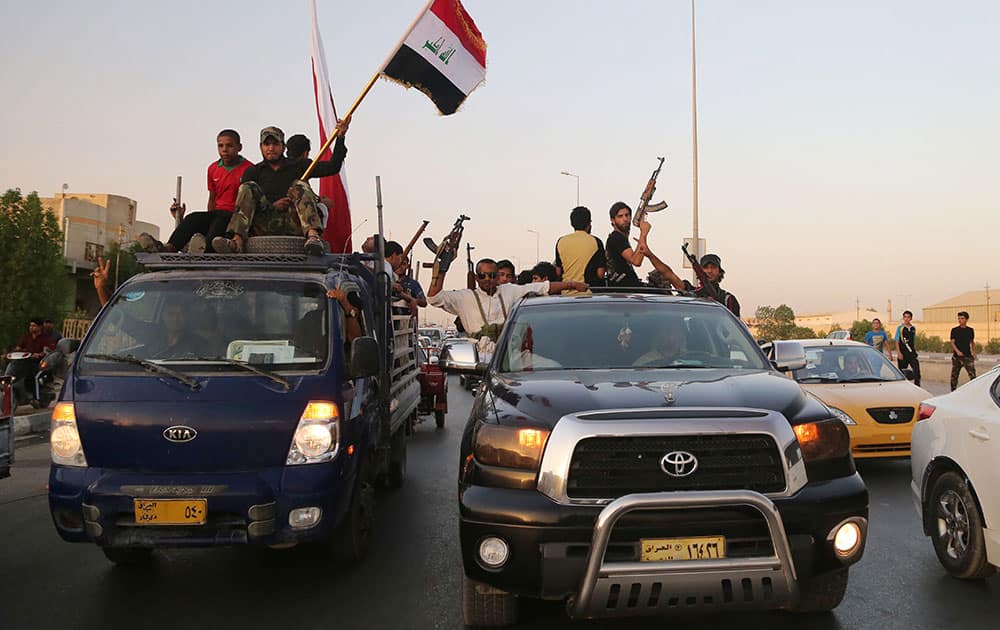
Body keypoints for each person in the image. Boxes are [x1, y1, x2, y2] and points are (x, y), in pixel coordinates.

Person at [214, 121, 349, 256]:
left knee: (300, 185)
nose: (271, 148)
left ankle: (313, 237)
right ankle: (236, 241)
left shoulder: (300, 166)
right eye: (267, 144)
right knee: (247, 187)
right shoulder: (253, 172)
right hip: (266, 223)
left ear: (283, 147)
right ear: (261, 147)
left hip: (295, 221)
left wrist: (341, 137)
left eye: (275, 144)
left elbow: (333, 166)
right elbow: (247, 204)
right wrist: (273, 206)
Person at [427, 258, 587, 356]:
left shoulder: (509, 290)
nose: (488, 279)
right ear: (476, 278)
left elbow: (543, 287)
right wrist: (442, 268)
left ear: (497, 277)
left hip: (508, 358)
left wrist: (572, 284)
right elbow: (433, 298)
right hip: (478, 360)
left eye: (492, 275)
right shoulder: (464, 297)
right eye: (483, 276)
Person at [138, 129, 255, 254]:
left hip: (235, 216)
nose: (224, 149)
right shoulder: (213, 168)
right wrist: (208, 219)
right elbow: (212, 197)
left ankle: (205, 251)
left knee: (219, 222)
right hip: (217, 213)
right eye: (220, 146)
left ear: (239, 147)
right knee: (192, 218)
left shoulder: (250, 169)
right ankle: (169, 248)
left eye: (229, 145)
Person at [637, 237, 741, 316]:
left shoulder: (728, 299)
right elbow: (669, 274)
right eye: (706, 268)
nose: (709, 271)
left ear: (719, 272)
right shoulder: (692, 293)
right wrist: (650, 255)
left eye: (713, 267)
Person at [555, 206, 606, 292]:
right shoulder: (596, 242)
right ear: (589, 223)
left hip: (566, 295)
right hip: (589, 295)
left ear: (572, 223)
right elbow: (600, 274)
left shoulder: (561, 241)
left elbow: (558, 272)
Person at [604, 202, 648, 287]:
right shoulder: (616, 238)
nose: (625, 219)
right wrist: (643, 233)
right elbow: (636, 261)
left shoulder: (620, 238)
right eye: (620, 216)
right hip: (623, 291)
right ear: (613, 220)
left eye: (627, 215)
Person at [950, 311, 976, 390]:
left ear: (966, 319)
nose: (960, 320)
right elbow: (952, 342)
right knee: (954, 376)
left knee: (973, 376)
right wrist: (957, 351)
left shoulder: (970, 330)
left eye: (962, 318)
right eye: (959, 318)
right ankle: (953, 391)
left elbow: (972, 342)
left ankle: (974, 390)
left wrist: (974, 353)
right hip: (957, 357)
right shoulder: (954, 330)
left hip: (967, 356)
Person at [894, 310, 920, 386]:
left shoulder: (913, 328)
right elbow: (896, 341)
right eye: (905, 317)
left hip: (912, 354)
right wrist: (899, 353)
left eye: (908, 317)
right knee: (902, 374)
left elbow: (912, 341)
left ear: (911, 318)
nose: (906, 319)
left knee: (917, 372)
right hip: (903, 354)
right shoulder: (900, 328)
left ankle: (917, 387)